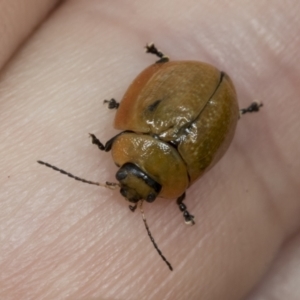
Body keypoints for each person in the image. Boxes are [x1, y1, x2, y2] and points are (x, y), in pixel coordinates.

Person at [1, 1, 299, 299]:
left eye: (124, 174)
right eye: (151, 192)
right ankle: (238, 109)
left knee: (127, 114)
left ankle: (236, 107)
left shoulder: (181, 168)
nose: (131, 194)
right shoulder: (161, 156)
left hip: (198, 86)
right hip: (204, 91)